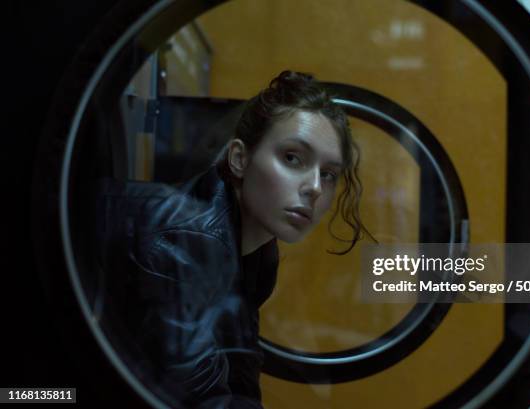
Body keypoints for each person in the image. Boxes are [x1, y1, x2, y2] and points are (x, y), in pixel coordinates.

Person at [96, 70, 374, 408]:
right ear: (240, 159)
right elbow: (196, 398)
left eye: (328, 174)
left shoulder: (258, 255)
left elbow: (239, 373)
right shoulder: (184, 243)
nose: (315, 187)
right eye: (292, 158)